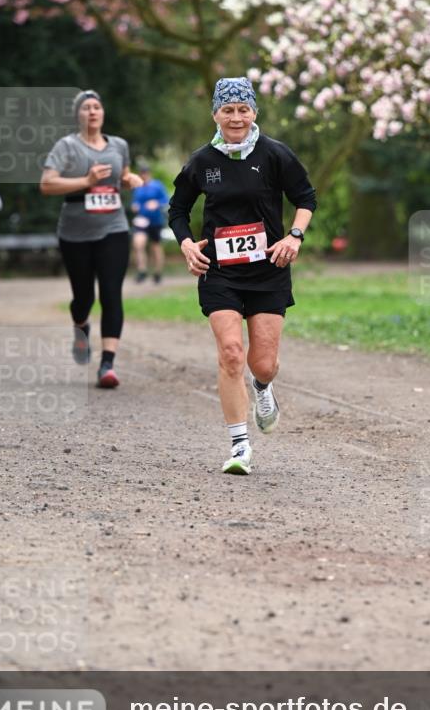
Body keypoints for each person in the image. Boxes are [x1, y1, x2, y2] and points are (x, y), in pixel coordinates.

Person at [168, 76, 316, 475]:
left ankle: (263, 388)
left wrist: (294, 237)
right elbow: (177, 209)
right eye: (228, 110)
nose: (236, 118)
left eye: (243, 110)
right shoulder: (202, 161)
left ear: (254, 112)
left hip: (269, 269)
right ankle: (239, 446)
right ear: (215, 113)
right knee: (231, 353)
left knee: (263, 363)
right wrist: (186, 244)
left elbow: (305, 198)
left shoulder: (274, 154)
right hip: (219, 272)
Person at [40, 90, 142, 388]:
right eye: (86, 108)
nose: (93, 112)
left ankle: (107, 365)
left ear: (103, 113)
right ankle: (80, 327)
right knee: (83, 297)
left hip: (114, 227)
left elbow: (122, 176)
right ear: (78, 115)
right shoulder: (67, 146)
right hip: (75, 232)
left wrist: (129, 180)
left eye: (97, 107)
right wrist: (86, 181)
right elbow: (47, 184)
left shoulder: (119, 145)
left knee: (111, 294)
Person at [130, 163, 170, 283]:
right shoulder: (138, 187)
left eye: (145, 173)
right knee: (138, 244)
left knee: (155, 246)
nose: (144, 175)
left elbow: (166, 199)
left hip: (155, 220)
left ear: (149, 173)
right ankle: (142, 270)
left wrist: (156, 203)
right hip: (141, 221)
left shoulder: (157, 185)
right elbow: (135, 201)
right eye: (142, 173)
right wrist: (135, 206)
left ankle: (158, 272)